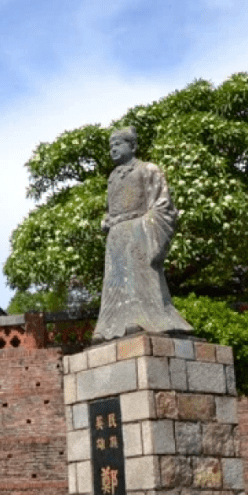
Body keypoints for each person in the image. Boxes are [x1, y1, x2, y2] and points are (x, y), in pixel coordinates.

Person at [92, 126, 193, 342]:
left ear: (133, 146)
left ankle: (145, 320)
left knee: (141, 278)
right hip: (116, 237)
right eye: (111, 146)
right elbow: (113, 209)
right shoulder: (112, 177)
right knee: (114, 284)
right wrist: (108, 221)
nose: (114, 149)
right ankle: (109, 327)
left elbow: (163, 203)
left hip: (140, 232)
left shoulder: (148, 170)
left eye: (118, 144)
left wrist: (144, 224)